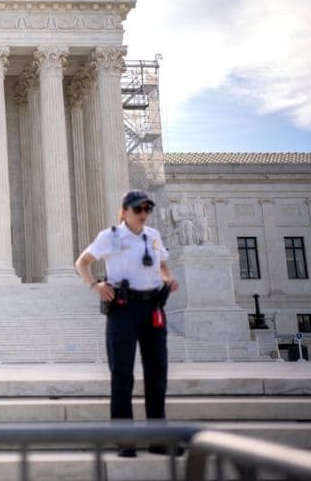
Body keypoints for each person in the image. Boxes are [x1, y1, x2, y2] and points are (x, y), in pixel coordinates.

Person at [74, 190, 181, 458]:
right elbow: (82, 262)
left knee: (157, 376)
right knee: (122, 376)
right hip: (123, 310)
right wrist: (95, 285)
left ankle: (158, 439)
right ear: (124, 212)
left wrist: (168, 278)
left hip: (153, 308)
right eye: (137, 209)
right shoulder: (110, 236)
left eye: (147, 209)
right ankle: (124, 440)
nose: (143, 214)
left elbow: (163, 265)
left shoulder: (153, 236)